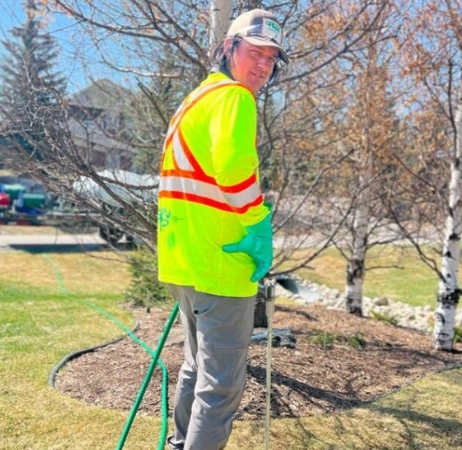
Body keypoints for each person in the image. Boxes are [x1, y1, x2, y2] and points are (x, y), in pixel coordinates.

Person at [156, 8, 289, 450]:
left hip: (184, 262)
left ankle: (179, 444)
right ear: (228, 48)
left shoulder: (196, 99)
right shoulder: (235, 98)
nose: (263, 66)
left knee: (197, 366)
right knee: (222, 387)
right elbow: (233, 167)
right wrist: (258, 226)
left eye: (271, 58)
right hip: (222, 260)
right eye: (255, 53)